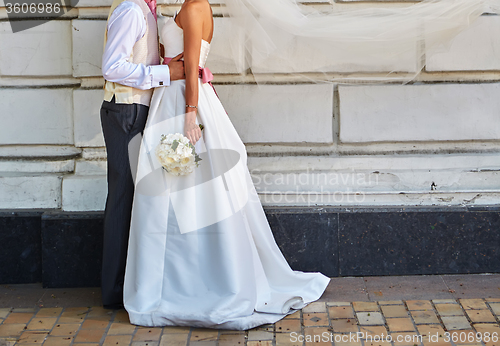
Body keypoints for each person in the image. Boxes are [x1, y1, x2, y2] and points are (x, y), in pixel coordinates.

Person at [122, 0, 331, 330]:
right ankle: (178, 283)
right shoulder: (194, 6)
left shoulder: (193, 8)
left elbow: (192, 67)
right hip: (176, 98)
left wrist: (189, 115)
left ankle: (191, 287)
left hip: (182, 103)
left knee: (184, 191)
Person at [100, 0, 185, 309]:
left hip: (134, 111)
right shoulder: (131, 11)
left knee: (132, 199)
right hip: (125, 111)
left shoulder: (146, 10)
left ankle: (126, 284)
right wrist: (165, 73)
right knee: (122, 198)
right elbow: (112, 66)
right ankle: (113, 290)